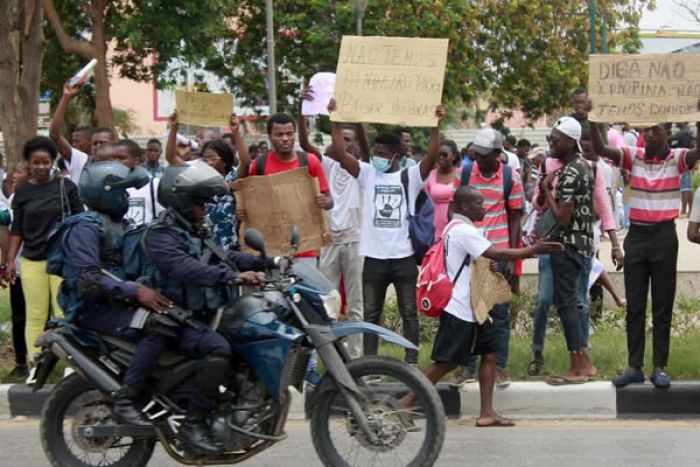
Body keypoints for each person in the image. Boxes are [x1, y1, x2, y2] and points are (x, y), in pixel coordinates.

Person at [142, 161, 272, 452]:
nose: (205, 208)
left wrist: (268, 262)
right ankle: (193, 423)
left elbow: (224, 256)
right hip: (174, 318)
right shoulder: (160, 235)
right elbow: (188, 269)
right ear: (182, 201)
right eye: (200, 202)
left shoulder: (195, 229)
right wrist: (232, 277)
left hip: (203, 314)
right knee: (218, 349)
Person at [412, 186, 563, 427]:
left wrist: (486, 264)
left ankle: (487, 412)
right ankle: (405, 404)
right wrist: (532, 250)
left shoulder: (457, 227)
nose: (484, 207)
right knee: (445, 362)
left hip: (474, 306)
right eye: (479, 204)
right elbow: (497, 252)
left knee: (489, 353)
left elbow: (478, 259)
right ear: (464, 207)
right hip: (461, 307)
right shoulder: (463, 230)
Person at [590, 100, 700, 389]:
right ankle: (635, 366)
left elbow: (699, 152)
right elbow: (601, 149)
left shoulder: (678, 158)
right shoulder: (632, 155)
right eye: (646, 130)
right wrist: (594, 117)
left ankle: (660, 367)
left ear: (667, 133)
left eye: (656, 130)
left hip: (664, 236)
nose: (649, 135)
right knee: (635, 305)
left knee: (663, 304)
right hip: (637, 237)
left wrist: (699, 118)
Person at [328, 99, 443, 365]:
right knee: (370, 315)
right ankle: (369, 364)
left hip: (403, 258)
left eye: (382, 153)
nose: (377, 157)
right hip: (374, 260)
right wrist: (335, 117)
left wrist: (435, 125)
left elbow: (432, 156)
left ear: (397, 156)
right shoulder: (367, 173)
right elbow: (341, 153)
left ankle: (411, 363)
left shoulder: (410, 177)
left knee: (408, 313)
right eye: (376, 152)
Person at [57, 160, 169, 428]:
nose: (127, 197)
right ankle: (126, 399)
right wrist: (136, 291)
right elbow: (89, 279)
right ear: (105, 192)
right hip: (93, 309)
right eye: (122, 192)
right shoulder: (84, 228)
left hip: (117, 302)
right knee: (159, 326)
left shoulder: (117, 223)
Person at [451, 128, 524, 388]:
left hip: (498, 251)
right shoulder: (465, 173)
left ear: (497, 153)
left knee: (499, 313)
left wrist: (514, 262)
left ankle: (499, 367)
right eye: (476, 154)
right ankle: (466, 366)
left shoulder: (510, 177)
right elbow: (456, 208)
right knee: (468, 310)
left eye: (483, 155)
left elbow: (515, 217)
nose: (478, 159)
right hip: (470, 252)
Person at [298, 86, 366, 358]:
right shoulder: (326, 164)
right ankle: (327, 358)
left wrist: (354, 119)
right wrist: (302, 112)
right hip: (330, 242)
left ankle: (356, 359)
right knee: (324, 301)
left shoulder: (364, 169)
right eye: (342, 138)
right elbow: (305, 145)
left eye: (350, 139)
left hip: (354, 241)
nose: (345, 143)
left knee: (355, 304)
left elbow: (361, 142)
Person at [6, 137, 84, 363]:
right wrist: (10, 261)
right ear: (28, 164)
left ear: (53, 162)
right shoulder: (22, 193)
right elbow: (16, 229)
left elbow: (80, 220)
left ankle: (71, 365)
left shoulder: (66, 187)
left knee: (63, 314)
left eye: (45, 162)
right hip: (32, 260)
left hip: (62, 259)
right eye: (36, 163)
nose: (41, 167)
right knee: (36, 315)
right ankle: (34, 364)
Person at [539, 117, 596, 385]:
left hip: (567, 244)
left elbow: (562, 218)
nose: (552, 144)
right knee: (573, 302)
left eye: (556, 139)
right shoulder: (583, 166)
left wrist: (545, 189)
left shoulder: (571, 172)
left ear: (571, 142)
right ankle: (585, 361)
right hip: (582, 244)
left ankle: (576, 367)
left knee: (566, 305)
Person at [238, 112, 334, 262]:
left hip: (305, 249)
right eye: (279, 134)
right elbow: (250, 201)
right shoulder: (260, 164)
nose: (285, 139)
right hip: (272, 251)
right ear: (269, 136)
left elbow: (329, 201)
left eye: (289, 134)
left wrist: (325, 201)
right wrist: (243, 212)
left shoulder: (310, 161)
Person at [167, 112, 245, 251]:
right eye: (205, 158)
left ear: (225, 160)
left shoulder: (233, 177)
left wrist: (236, 132)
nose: (208, 163)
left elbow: (245, 162)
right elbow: (171, 158)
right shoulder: (197, 175)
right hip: (203, 247)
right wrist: (174, 128)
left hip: (230, 247)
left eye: (213, 158)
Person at [0, 162, 31, 379]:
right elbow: (9, 235)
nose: (13, 176)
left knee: (41, 316)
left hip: (38, 264)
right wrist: (6, 263)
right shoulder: (12, 200)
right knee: (18, 316)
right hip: (18, 267)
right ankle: (21, 362)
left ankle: (42, 359)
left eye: (18, 172)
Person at [95, 140, 164, 226]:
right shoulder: (107, 187)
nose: (116, 162)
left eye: (121, 158)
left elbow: (162, 219)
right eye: (114, 158)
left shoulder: (153, 185)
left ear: (135, 160)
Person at [424, 139, 461, 241]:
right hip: (434, 224)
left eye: (445, 155)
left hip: (456, 223)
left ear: (454, 156)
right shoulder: (430, 175)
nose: (441, 158)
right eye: (438, 155)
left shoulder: (462, 174)